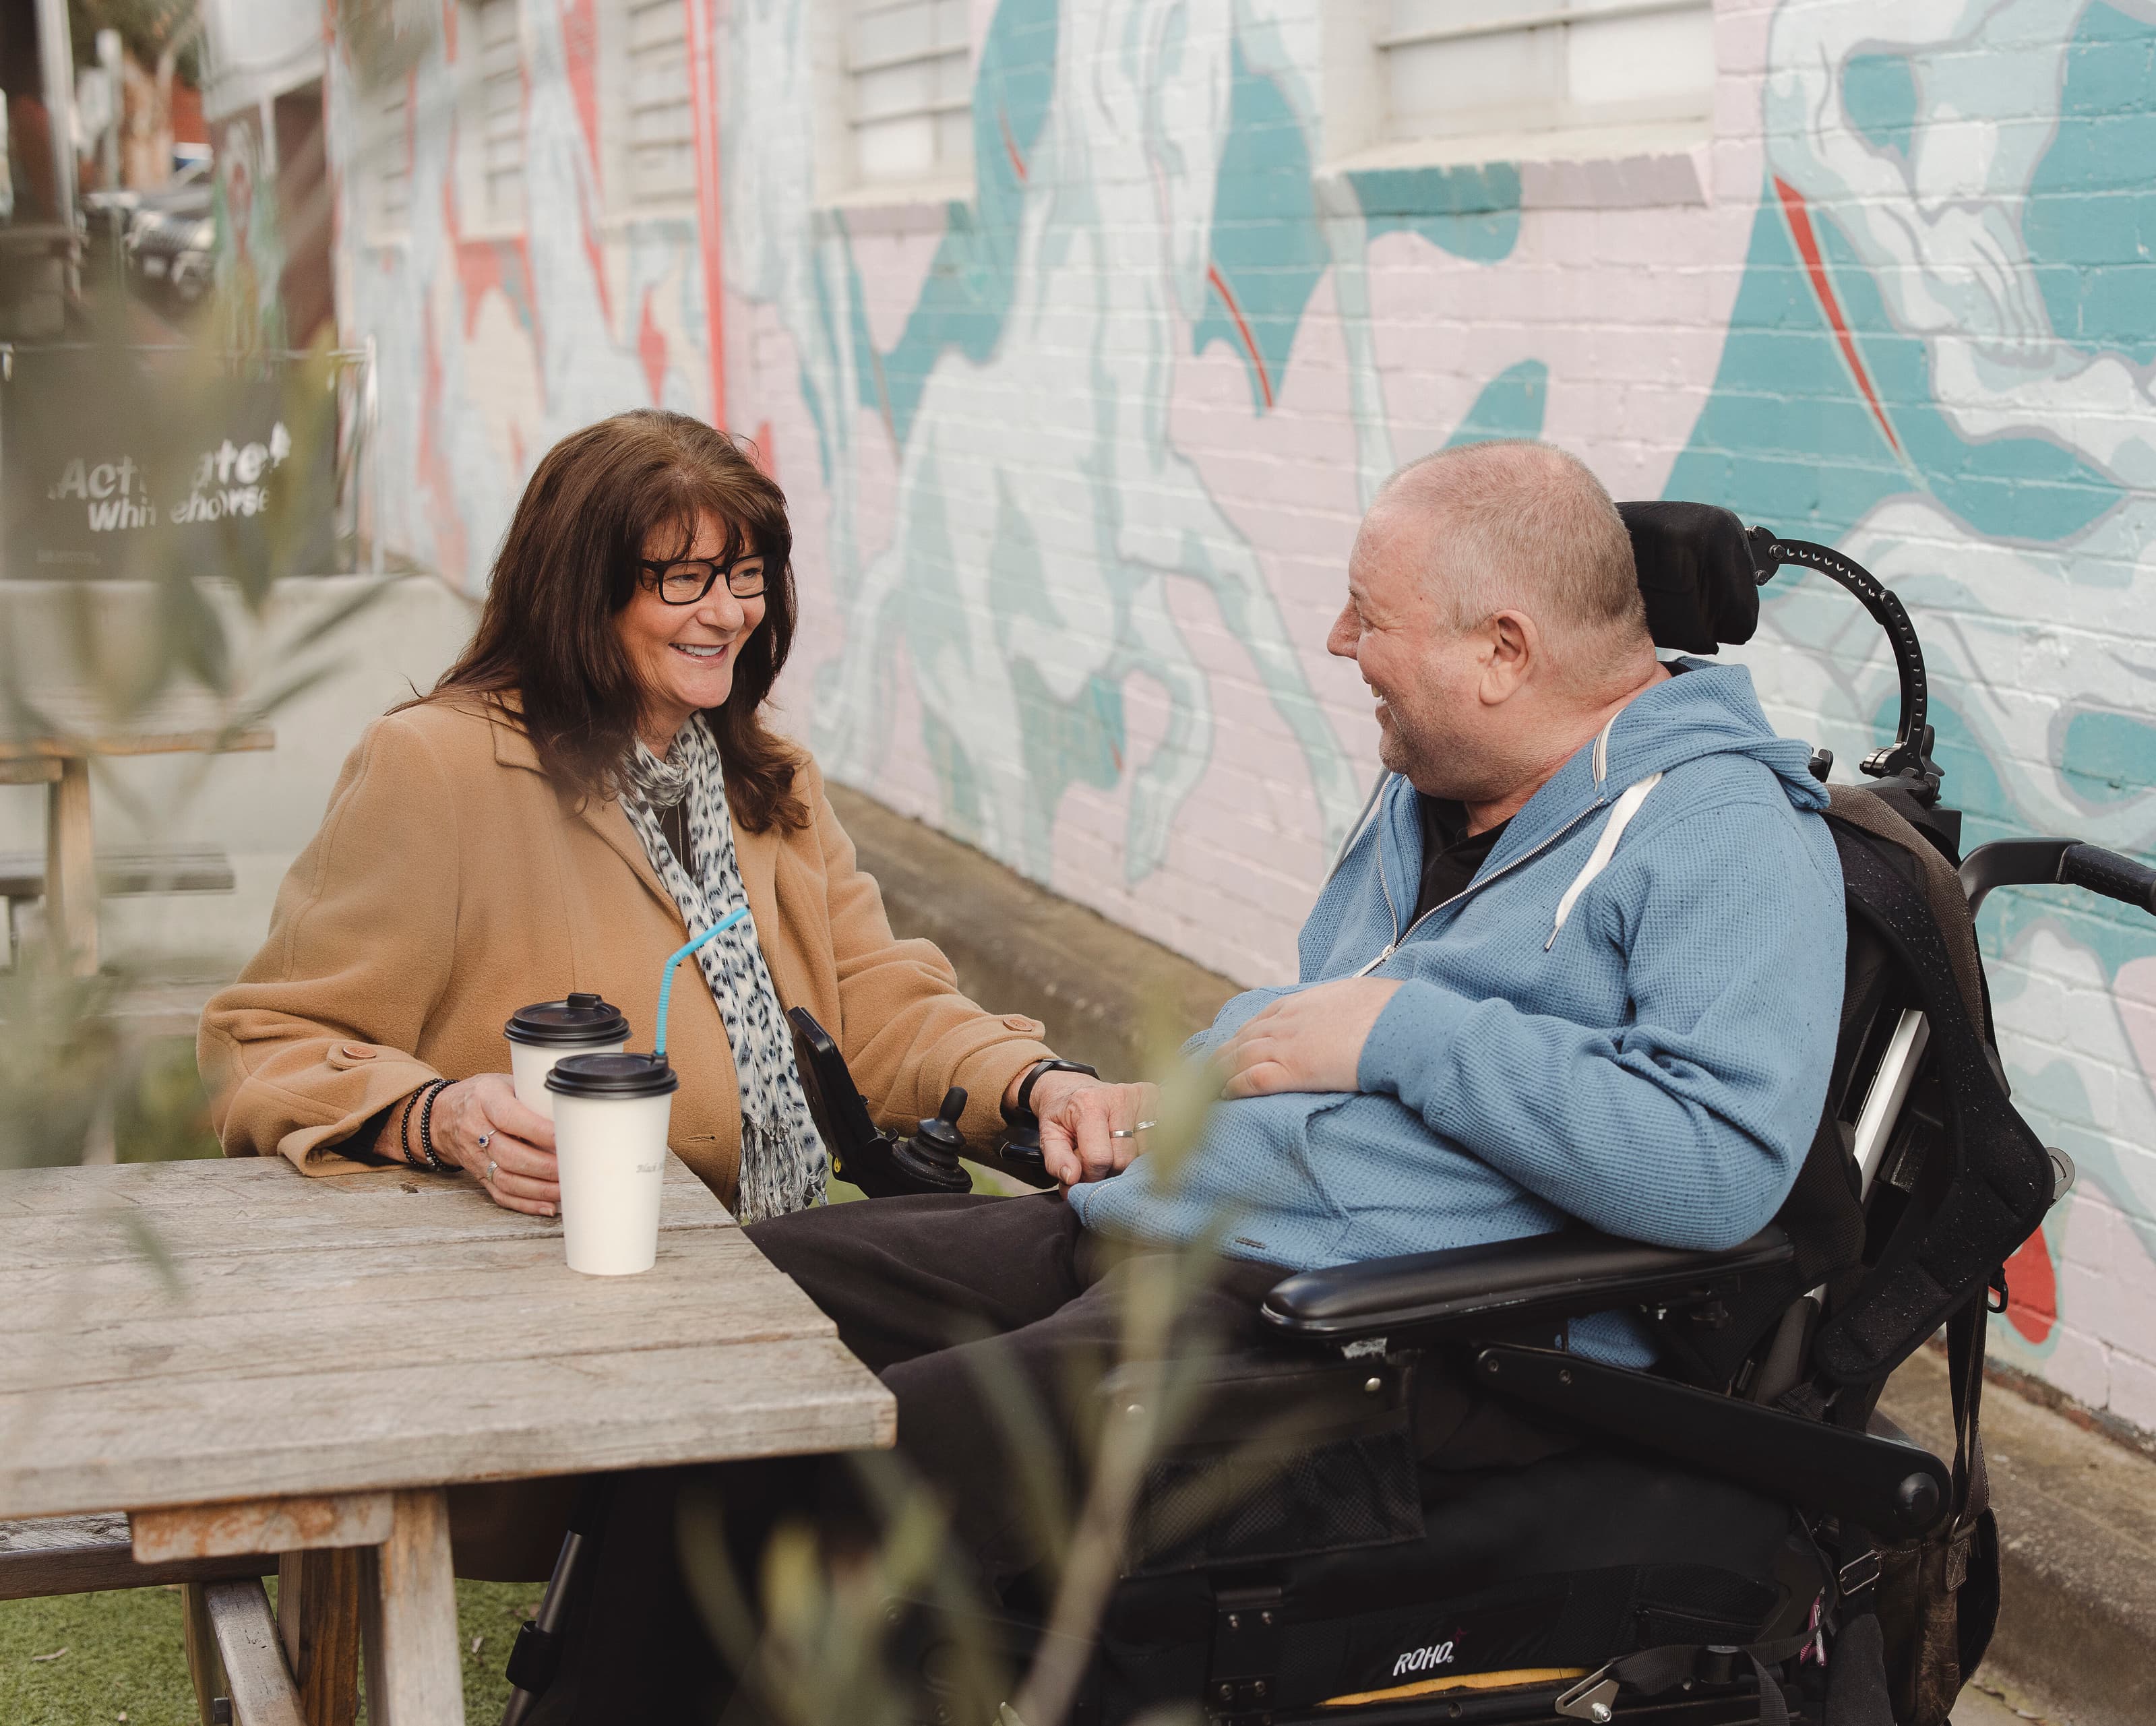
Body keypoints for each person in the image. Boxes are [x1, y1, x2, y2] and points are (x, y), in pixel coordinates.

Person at [549, 439, 1847, 1723]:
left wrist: (1403, 1037)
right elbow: (1318, 1020)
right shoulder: (1443, 787)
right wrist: (1168, 1100)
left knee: (874, 1452)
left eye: (1369, 615)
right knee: (716, 1322)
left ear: (1504, 651)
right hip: (1176, 1222)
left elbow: (1717, 1160)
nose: (1341, 641)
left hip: (1398, 1328)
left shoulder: (1725, 836)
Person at [196, 410, 1155, 1566]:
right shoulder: (436, 765)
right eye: (683, 579)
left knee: (1061, 1376)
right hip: (559, 1326)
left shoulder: (768, 773)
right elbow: (270, 1039)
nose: (726, 614)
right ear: (578, 590)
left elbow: (875, 1001)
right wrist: (444, 1116)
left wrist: (1035, 1081)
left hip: (784, 1283)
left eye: (745, 577)